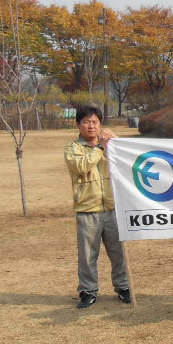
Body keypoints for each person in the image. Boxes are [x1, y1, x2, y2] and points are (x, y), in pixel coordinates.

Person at [64, 105, 131, 309]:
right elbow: (81, 166)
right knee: (87, 255)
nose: (91, 126)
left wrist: (115, 142)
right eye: (86, 122)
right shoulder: (73, 148)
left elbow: (127, 161)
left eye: (95, 122)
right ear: (78, 125)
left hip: (113, 208)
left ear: (100, 124)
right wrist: (99, 148)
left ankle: (123, 287)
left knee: (118, 253)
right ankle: (87, 291)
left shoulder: (110, 144)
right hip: (87, 210)